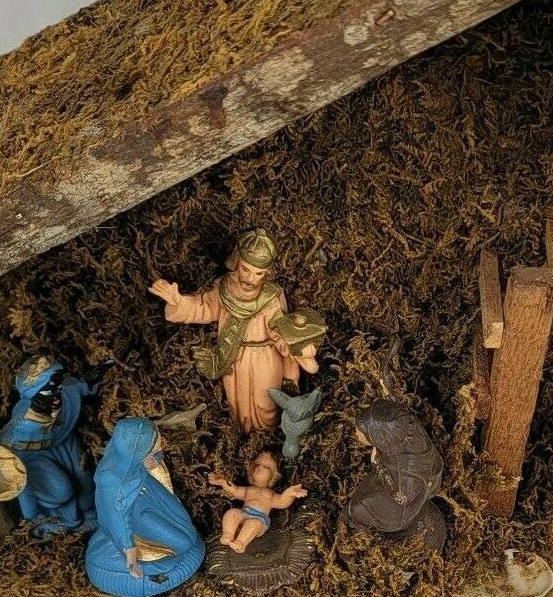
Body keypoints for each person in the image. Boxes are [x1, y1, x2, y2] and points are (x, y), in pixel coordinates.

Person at [148, 230, 321, 432]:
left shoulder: (271, 296)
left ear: (266, 273)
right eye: (246, 270)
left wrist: (299, 350)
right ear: (237, 262)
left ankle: (269, 436)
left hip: (266, 358)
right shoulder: (224, 288)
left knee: (265, 404)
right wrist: (178, 301)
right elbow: (202, 307)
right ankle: (243, 437)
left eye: (258, 273)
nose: (250, 279)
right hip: (233, 356)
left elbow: (280, 331)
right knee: (238, 405)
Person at [85, 417, 205, 597]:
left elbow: (153, 461)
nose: (158, 445)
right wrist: (129, 549)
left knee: (186, 535)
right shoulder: (112, 481)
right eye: (152, 444)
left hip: (150, 497)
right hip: (138, 517)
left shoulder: (129, 459)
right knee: (184, 543)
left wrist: (152, 461)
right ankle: (151, 570)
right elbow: (117, 517)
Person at [0, 356, 96, 534]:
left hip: (64, 443)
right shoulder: (22, 427)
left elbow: (77, 387)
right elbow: (15, 470)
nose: (55, 395)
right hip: (30, 456)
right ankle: (64, 522)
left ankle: (88, 514)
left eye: (56, 385)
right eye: (46, 392)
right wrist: (31, 518)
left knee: (85, 478)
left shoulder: (64, 395)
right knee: (61, 490)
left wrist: (92, 385)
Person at [345, 400, 446, 553]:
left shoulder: (409, 466)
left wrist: (379, 464)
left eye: (362, 432)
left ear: (379, 435)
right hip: (403, 485)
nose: (356, 435)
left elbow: (404, 496)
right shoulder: (404, 435)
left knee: (358, 508)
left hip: (402, 509)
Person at [208, 450, 307, 552]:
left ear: (274, 475)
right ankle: (228, 534)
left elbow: (282, 502)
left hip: (259, 519)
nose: (260, 467)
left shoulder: (270, 494)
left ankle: (240, 543)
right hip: (244, 513)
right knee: (232, 513)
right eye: (257, 464)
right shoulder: (248, 490)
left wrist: (290, 493)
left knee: (252, 524)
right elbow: (235, 490)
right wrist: (221, 482)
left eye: (266, 466)